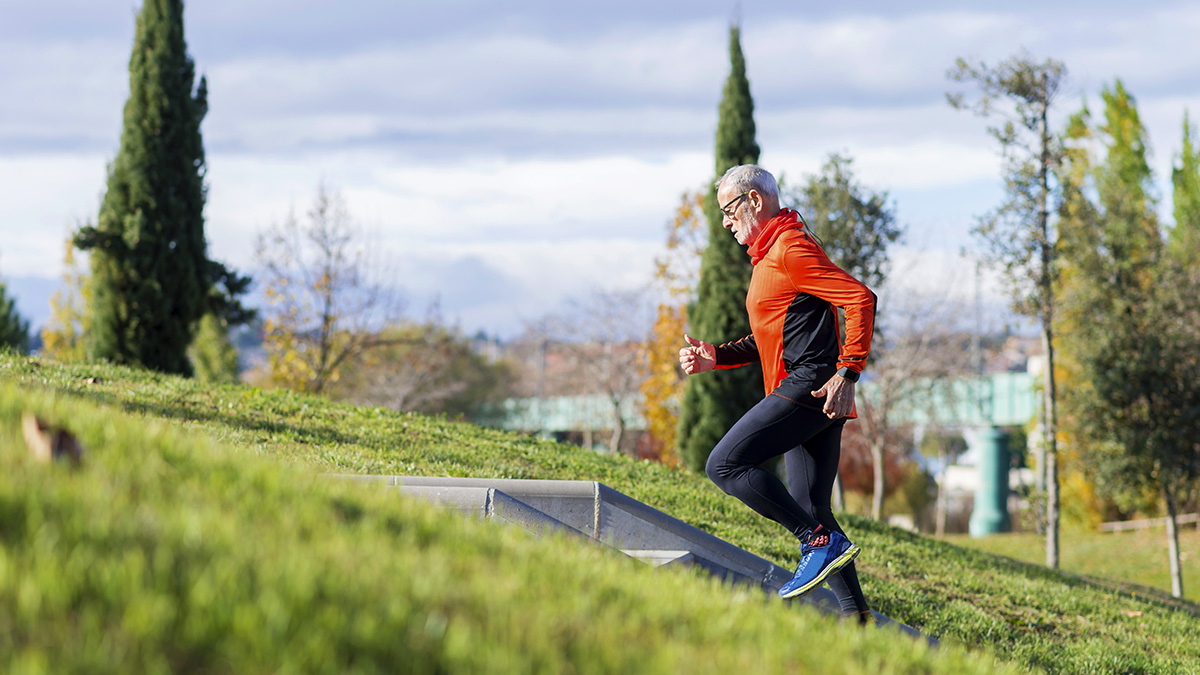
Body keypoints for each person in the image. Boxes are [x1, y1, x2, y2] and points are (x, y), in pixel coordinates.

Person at [679, 164, 876, 625]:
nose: (725, 222)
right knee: (812, 506)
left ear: (754, 201)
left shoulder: (790, 248)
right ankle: (858, 620)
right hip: (810, 390)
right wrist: (717, 356)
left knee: (724, 464)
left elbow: (859, 298)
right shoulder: (769, 256)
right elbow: (769, 335)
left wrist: (848, 372)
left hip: (810, 386)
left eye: (728, 211)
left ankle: (817, 542)